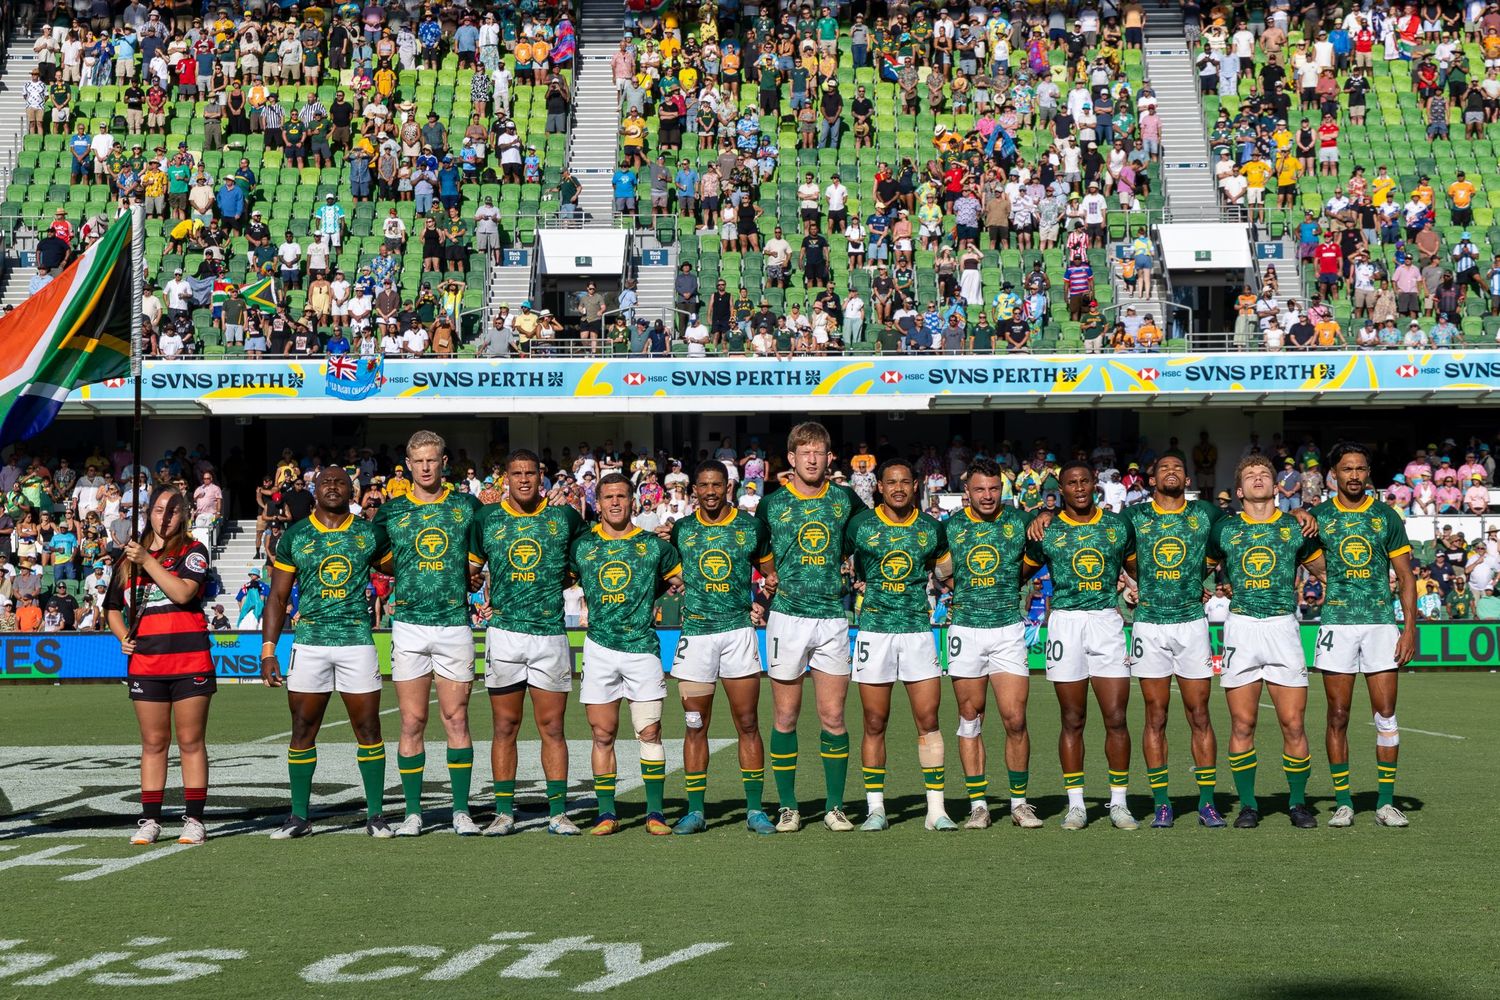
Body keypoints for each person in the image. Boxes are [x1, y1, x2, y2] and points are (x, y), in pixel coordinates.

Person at [260, 467, 391, 839]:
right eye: (325, 482)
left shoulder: (369, 533)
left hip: (356, 641)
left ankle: (376, 815)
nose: (333, 487)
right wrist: (269, 649)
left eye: (340, 482)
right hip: (310, 642)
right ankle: (299, 817)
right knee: (302, 728)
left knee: (368, 728)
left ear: (352, 490)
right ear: (314, 490)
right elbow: (278, 597)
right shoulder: (296, 535)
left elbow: (402, 567)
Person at [371, 431, 484, 837]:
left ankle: (460, 811)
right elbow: (376, 555)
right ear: (407, 463)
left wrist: (473, 574)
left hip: (454, 623)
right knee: (412, 720)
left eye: (432, 460)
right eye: (418, 461)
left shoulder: (467, 506)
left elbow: (482, 553)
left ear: (444, 461)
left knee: (456, 718)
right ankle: (413, 813)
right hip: (409, 625)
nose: (425, 467)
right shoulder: (391, 511)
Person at [469, 449, 586, 835]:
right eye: (516, 473)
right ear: (506, 477)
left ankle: (557, 812)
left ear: (542, 477)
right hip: (504, 634)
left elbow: (585, 559)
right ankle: (504, 812)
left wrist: (561, 580)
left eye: (530, 473)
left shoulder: (563, 516)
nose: (523, 480)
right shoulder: (487, 517)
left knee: (552, 727)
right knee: (505, 726)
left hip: (550, 633)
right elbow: (470, 568)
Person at [1208, 455, 1326, 829]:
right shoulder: (1223, 529)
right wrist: (1213, 587)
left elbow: (1324, 571)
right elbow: (1199, 571)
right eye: (1250, 475)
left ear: (1277, 488)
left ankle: (1297, 803)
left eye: (1265, 475)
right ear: (1240, 490)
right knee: (1243, 724)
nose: (1258, 478)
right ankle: (1248, 805)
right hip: (1241, 627)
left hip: (1283, 627)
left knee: (1293, 723)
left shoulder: (1296, 528)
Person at [755, 422, 862, 833]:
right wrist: (768, 573)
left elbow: (867, 537)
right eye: (805, 452)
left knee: (833, 716)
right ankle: (788, 806)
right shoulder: (772, 503)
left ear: (829, 458)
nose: (813, 459)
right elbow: (755, 546)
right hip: (787, 618)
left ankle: (835, 806)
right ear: (792, 459)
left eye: (820, 452)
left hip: (833, 618)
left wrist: (857, 568)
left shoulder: (846, 500)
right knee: (785, 716)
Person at [1022, 462, 1138, 830]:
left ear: (1095, 485)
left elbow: (1139, 569)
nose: (1079, 488)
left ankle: (1118, 803)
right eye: (1071, 483)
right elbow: (1017, 573)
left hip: (1106, 621)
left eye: (1084, 481)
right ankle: (1076, 805)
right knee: (1072, 719)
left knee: (1116, 718)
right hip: (1065, 624)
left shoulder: (1117, 526)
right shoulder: (1048, 530)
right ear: (1062, 489)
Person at [1310, 442, 1418, 828]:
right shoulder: (1318, 517)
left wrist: (1408, 628)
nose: (1354, 475)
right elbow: (1303, 554)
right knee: (1337, 715)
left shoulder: (1386, 516)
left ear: (1367, 473)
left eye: (1360, 469)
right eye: (1346, 469)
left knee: (1385, 715)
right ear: (1333, 475)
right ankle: (1343, 802)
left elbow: (1405, 577)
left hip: (1379, 624)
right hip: (1336, 624)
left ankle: (1386, 803)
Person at [933, 459, 1044, 829]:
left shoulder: (1017, 522)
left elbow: (1029, 565)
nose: (987, 495)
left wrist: (1045, 513)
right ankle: (978, 804)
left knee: (1015, 719)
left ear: (1003, 489)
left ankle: (1019, 803)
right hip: (965, 629)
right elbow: (941, 571)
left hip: (1007, 630)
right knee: (970, 719)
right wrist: (959, 592)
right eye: (979, 489)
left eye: (994, 488)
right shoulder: (952, 527)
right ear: (967, 492)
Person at [570, 473, 683, 835]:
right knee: (602, 734)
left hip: (643, 650)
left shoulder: (655, 547)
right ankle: (606, 813)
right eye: (608, 497)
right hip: (599, 648)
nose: (615, 503)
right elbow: (560, 579)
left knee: (649, 732)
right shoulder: (583, 547)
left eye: (621, 496)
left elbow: (676, 581)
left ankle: (654, 813)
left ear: (632, 500)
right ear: (598, 503)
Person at [845, 459, 954, 832]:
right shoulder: (860, 525)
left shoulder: (931, 529)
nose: (898, 488)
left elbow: (947, 572)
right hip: (874, 631)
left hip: (918, 633)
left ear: (915, 485)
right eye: (890, 482)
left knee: (929, 721)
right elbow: (841, 560)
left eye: (905, 482)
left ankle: (936, 810)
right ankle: (876, 808)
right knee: (875, 722)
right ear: (878, 486)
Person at [667, 461, 775, 835]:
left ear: (728, 487)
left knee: (747, 723)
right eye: (703, 486)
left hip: (738, 634)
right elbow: (669, 574)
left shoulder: (750, 527)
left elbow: (770, 575)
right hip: (696, 636)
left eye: (717, 485)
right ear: (693, 489)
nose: (710, 492)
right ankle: (695, 810)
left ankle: (756, 810)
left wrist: (763, 598)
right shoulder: (682, 529)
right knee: (695, 725)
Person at [103, 486, 215, 846]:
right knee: (153, 743)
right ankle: (150, 820)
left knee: (190, 741)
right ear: (148, 513)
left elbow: (183, 593)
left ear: (184, 515)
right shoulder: (126, 561)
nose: (164, 517)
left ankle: (194, 820)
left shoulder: (193, 550)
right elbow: (112, 608)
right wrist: (123, 637)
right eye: (158, 510)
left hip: (189, 659)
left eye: (172, 511)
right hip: (146, 663)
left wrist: (148, 561)